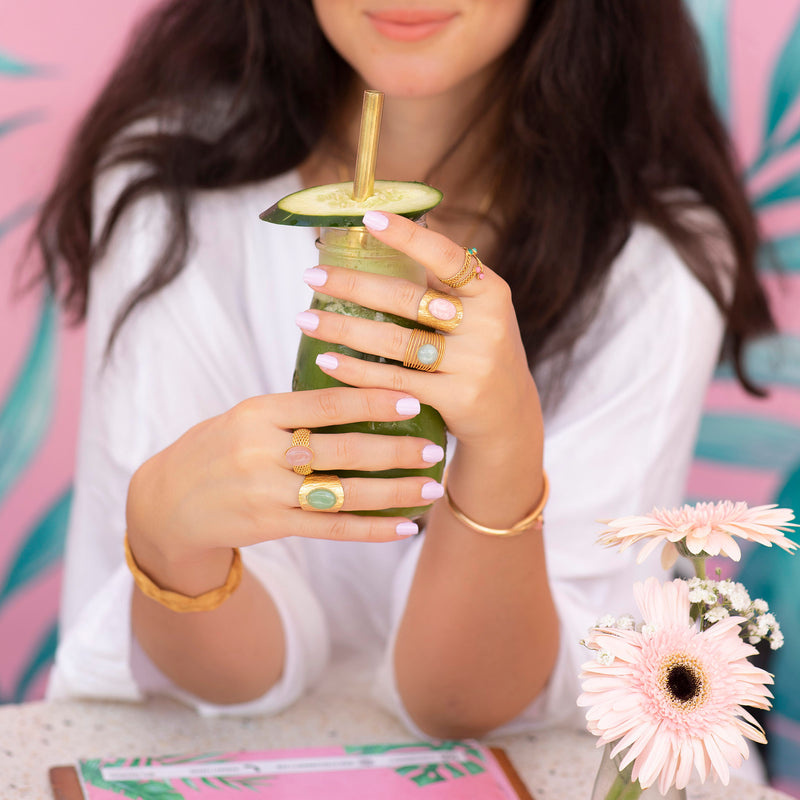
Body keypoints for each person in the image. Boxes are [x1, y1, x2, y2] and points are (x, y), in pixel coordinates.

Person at [35, 0, 773, 741]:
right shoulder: (174, 194)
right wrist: (169, 538)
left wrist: (504, 449)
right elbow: (235, 681)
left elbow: (459, 704)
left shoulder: (653, 263)